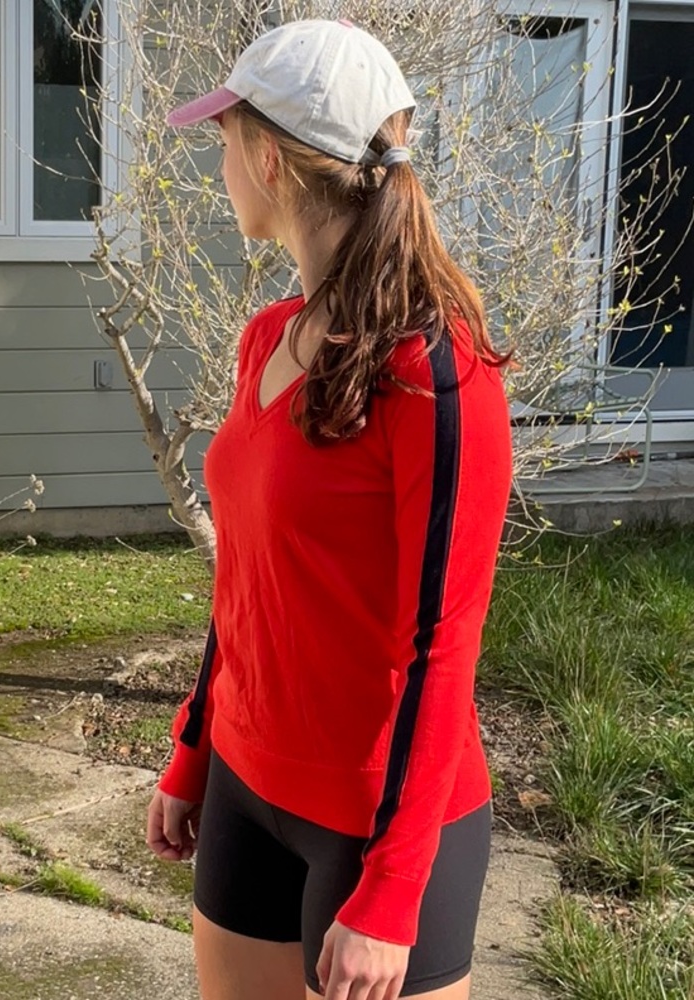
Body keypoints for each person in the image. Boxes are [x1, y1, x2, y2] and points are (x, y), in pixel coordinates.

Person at [145, 19, 513, 1000]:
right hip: (245, 785)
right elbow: (247, 580)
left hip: (381, 824)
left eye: (223, 141)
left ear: (267, 159)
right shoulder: (264, 339)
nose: (218, 164)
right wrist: (193, 748)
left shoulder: (437, 375)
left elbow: (443, 643)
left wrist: (392, 892)